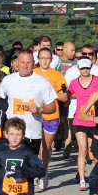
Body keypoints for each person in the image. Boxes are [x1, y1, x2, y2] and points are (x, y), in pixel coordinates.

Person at [0, 51, 57, 180]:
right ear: (17, 63)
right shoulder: (8, 80)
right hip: (12, 134)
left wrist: (39, 109)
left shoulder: (42, 82)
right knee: (10, 171)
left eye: (28, 62)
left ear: (33, 63)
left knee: (26, 172)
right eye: (22, 62)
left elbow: (52, 107)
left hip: (32, 134)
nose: (25, 66)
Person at [33, 48, 68, 183]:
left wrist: (50, 93)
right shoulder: (33, 73)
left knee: (46, 146)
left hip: (52, 113)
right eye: (42, 58)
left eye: (47, 58)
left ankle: (44, 170)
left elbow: (65, 96)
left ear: (51, 60)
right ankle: (36, 170)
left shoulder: (57, 76)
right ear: (38, 59)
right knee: (36, 146)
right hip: (35, 113)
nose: (45, 61)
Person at [67, 56, 98, 189]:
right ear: (78, 68)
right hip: (80, 119)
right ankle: (82, 180)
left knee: (91, 155)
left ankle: (94, 172)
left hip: (93, 120)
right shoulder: (74, 82)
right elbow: (67, 95)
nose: (85, 70)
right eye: (82, 68)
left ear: (91, 68)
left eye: (87, 68)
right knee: (82, 149)